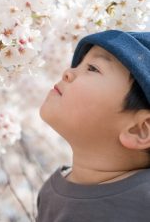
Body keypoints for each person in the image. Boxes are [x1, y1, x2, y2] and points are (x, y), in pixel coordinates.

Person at [37, 30, 150, 221]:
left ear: (139, 130)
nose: (68, 72)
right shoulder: (49, 194)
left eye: (92, 68)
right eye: (78, 64)